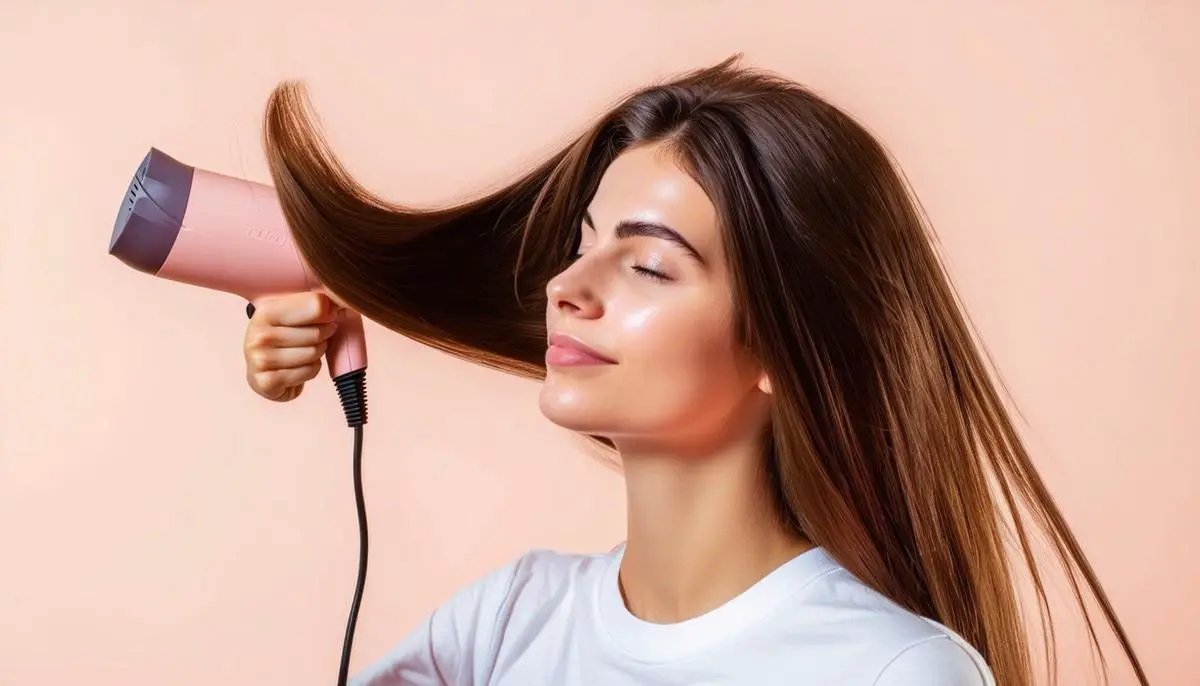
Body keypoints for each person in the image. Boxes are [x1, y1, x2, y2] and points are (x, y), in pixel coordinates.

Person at [240, 56, 1147, 685]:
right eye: (583, 242)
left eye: (648, 264)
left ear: (780, 349)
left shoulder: (890, 670)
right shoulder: (511, 622)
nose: (567, 286)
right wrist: (302, 292)